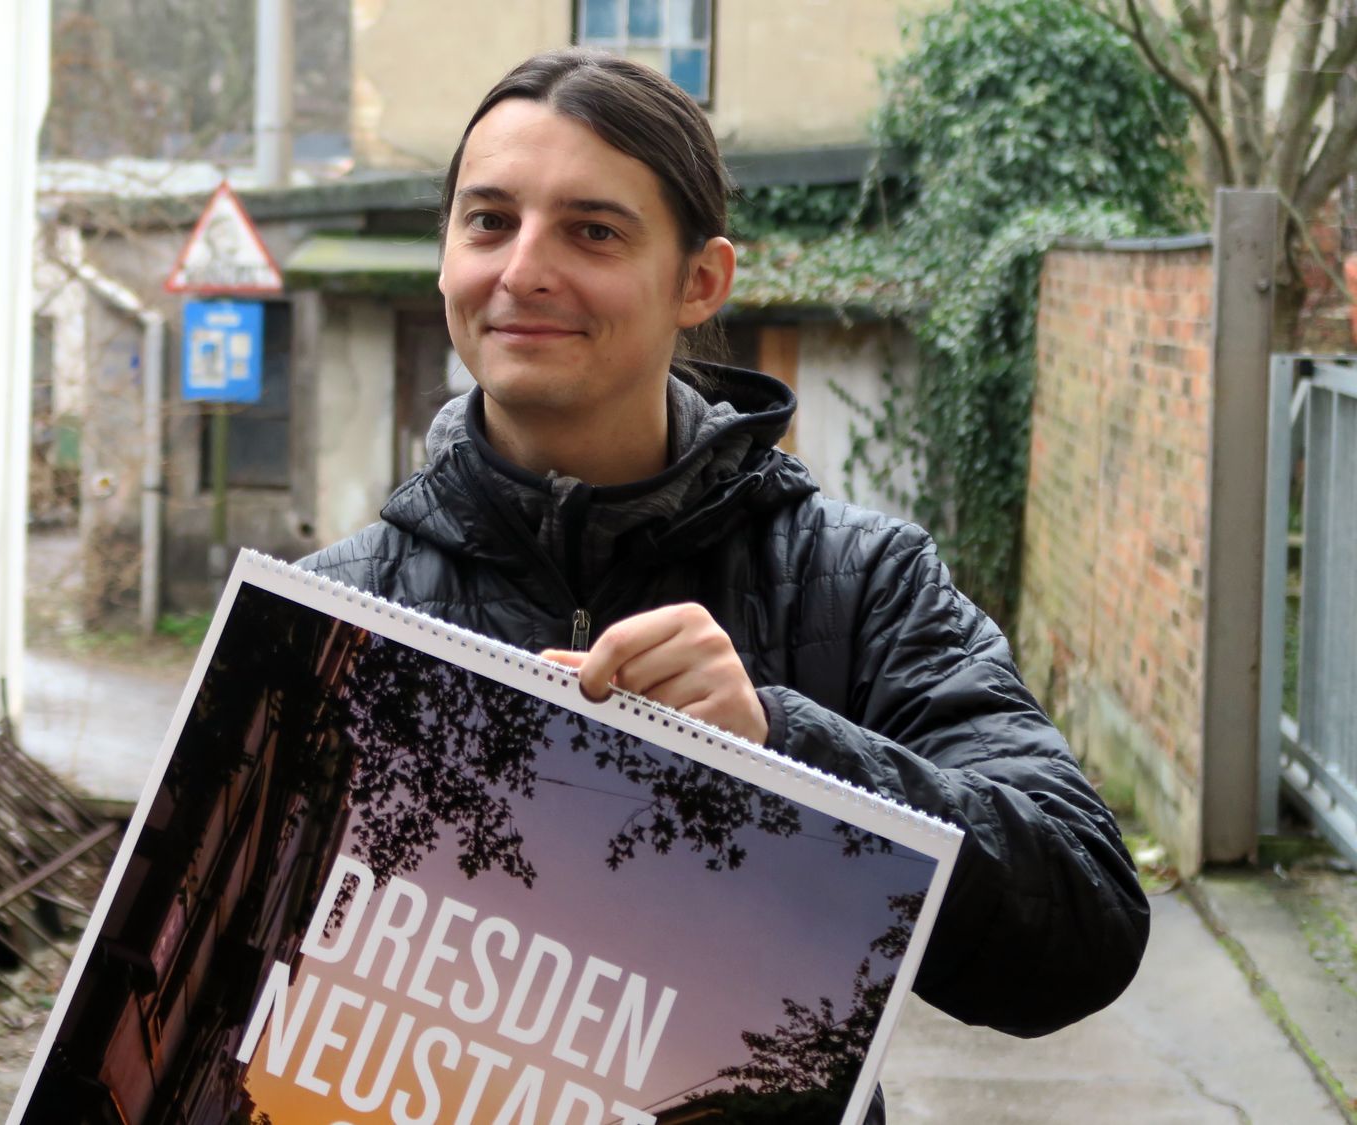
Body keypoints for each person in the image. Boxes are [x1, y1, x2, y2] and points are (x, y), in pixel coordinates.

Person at [297, 47, 1147, 1122]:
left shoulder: (859, 582)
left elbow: (1081, 932)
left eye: (591, 231)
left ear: (699, 280)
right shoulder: (331, 616)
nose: (521, 270)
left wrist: (783, 755)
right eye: (487, 221)